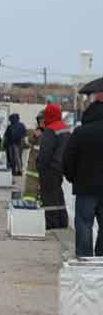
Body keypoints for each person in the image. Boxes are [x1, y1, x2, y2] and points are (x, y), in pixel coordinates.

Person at [64, 92, 103, 256]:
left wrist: (72, 178)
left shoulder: (80, 132)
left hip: (85, 188)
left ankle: (84, 259)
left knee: (84, 224)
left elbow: (68, 159)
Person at [37, 104, 70, 230]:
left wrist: (40, 167)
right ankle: (62, 220)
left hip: (49, 168)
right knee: (57, 194)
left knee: (48, 197)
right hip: (60, 168)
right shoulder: (65, 128)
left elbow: (45, 152)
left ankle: (51, 222)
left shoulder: (50, 130)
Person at [23, 111, 44, 202]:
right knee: (30, 193)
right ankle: (28, 208)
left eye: (44, 121)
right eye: (41, 121)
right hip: (33, 169)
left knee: (44, 193)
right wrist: (35, 136)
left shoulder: (52, 133)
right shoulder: (34, 132)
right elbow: (24, 143)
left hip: (45, 170)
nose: (42, 123)